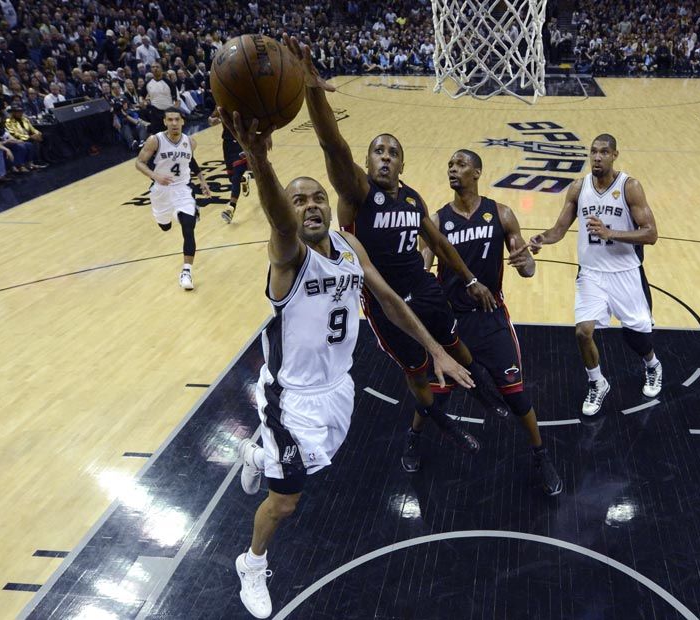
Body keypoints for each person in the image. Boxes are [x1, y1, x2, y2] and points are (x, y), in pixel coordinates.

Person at [220, 108, 474, 620]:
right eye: (299, 200)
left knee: (311, 465)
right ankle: (252, 562)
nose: (311, 205)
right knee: (286, 501)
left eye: (318, 197)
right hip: (290, 397)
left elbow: (391, 302)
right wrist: (260, 163)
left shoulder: (349, 245)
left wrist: (437, 349)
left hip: (338, 388)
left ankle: (258, 455)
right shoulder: (288, 255)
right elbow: (278, 219)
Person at [287, 35, 510, 468]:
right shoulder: (357, 192)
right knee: (417, 371)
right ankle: (437, 424)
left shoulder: (412, 198)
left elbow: (440, 243)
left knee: (457, 346)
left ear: (402, 165)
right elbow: (333, 145)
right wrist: (314, 91)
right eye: (378, 151)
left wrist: (469, 279)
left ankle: (483, 389)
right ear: (368, 161)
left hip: (423, 287)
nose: (385, 157)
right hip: (383, 299)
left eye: (393, 153)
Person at [421, 149, 562, 495]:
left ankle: (541, 455)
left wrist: (526, 262)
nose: (453, 169)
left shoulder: (501, 214)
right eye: (450, 165)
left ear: (477, 172)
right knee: (434, 396)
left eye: (461, 165)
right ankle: (413, 437)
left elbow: (527, 268)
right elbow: (422, 271)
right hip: (451, 323)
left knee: (516, 396)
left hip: (491, 320)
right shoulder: (437, 221)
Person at [527, 134, 661, 415]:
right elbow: (559, 229)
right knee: (583, 332)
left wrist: (610, 232)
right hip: (591, 274)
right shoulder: (578, 188)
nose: (597, 157)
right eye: (593, 152)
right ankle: (597, 382)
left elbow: (651, 234)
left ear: (614, 155)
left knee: (636, 337)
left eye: (604, 152)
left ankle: (652, 365)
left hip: (625, 273)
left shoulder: (630, 187)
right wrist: (541, 239)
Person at [134, 107, 210, 290]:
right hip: (161, 191)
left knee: (188, 226)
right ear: (165, 122)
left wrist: (202, 181)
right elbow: (139, 162)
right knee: (165, 227)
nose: (174, 123)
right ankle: (173, 216)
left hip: (182, 189)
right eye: (170, 120)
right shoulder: (155, 140)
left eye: (177, 119)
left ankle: (186, 272)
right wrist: (155, 176)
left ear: (183, 121)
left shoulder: (190, 142)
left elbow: (191, 161)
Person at [209, 111, 252, 223]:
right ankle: (245, 178)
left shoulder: (243, 104)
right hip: (227, 144)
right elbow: (211, 118)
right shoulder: (221, 104)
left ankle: (231, 208)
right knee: (232, 178)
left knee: (236, 175)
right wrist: (212, 120)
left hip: (240, 140)